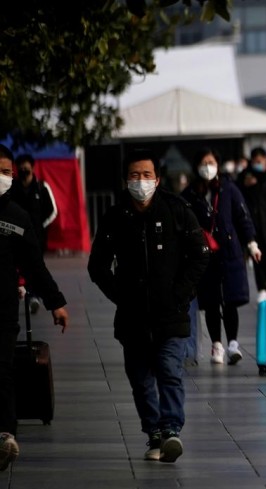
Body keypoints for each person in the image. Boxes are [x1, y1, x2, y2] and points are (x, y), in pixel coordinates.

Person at [88, 149, 209, 463]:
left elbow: (199, 255)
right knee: (140, 380)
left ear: (157, 178)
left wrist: (180, 293)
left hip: (171, 312)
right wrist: (120, 295)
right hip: (132, 316)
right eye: (133, 175)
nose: (140, 181)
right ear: (125, 179)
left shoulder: (177, 210)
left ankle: (171, 430)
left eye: (145, 175)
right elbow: (97, 266)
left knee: (170, 371)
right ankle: (153, 434)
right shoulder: (116, 217)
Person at [0, 144, 69, 471]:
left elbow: (34, 265)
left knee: (3, 370)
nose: (2, 177)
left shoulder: (18, 217)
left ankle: (5, 435)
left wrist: (55, 302)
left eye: (5, 172)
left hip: (3, 309)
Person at [182, 147, 262, 365]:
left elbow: (242, 217)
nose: (208, 167)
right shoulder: (189, 194)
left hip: (228, 253)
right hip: (203, 257)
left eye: (211, 162)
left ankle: (233, 344)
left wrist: (252, 244)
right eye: (203, 162)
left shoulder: (228, 189)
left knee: (230, 301)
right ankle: (216, 344)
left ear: (217, 164)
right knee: (210, 302)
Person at [12, 154, 59, 314]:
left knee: (35, 266)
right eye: (20, 166)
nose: (24, 169)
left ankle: (34, 297)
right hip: (15, 236)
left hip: (37, 238)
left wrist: (40, 227)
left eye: (26, 166)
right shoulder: (12, 188)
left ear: (32, 167)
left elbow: (53, 211)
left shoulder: (41, 187)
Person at [236, 147, 266, 302]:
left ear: (265, 159)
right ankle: (262, 287)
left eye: (260, 160)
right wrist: (246, 184)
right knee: (258, 256)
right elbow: (240, 197)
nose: (257, 163)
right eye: (255, 160)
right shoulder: (246, 176)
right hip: (255, 224)